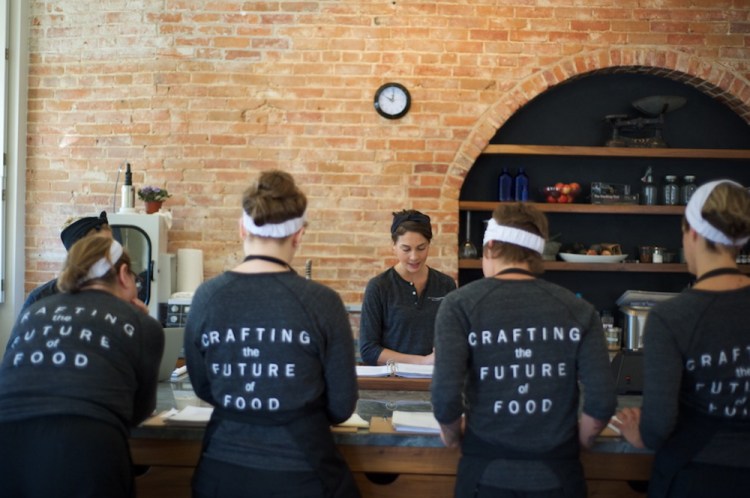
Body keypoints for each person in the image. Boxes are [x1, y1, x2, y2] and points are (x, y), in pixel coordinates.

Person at [184, 170, 360, 498]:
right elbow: (341, 405)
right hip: (303, 472)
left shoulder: (207, 297)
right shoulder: (322, 302)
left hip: (221, 472)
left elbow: (204, 387)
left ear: (241, 229)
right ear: (298, 235)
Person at [431, 202, 616, 498]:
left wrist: (451, 436)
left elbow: (444, 399)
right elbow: (603, 401)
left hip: (485, 475)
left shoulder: (459, 305)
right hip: (559, 475)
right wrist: (580, 441)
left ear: (490, 246)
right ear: (537, 253)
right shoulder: (579, 309)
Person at [613, 180, 750, 498]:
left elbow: (659, 425)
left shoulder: (671, 317)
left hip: (696, 476)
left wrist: (640, 435)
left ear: (692, 233)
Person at [0, 235, 164, 498]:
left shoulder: (34, 310)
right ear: (123, 275)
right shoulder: (141, 324)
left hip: (7, 441)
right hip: (85, 445)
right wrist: (140, 323)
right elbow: (138, 412)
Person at [359, 209, 457, 366]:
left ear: (429, 245)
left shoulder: (446, 285)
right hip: (391, 383)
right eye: (406, 249)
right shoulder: (379, 287)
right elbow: (368, 350)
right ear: (394, 246)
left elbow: (454, 338)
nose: (414, 257)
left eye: (421, 248)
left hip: (436, 381)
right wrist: (423, 362)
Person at [22, 210, 111, 311]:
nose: (112, 254)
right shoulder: (39, 299)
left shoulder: (117, 294)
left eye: (112, 247)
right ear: (81, 252)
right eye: (103, 248)